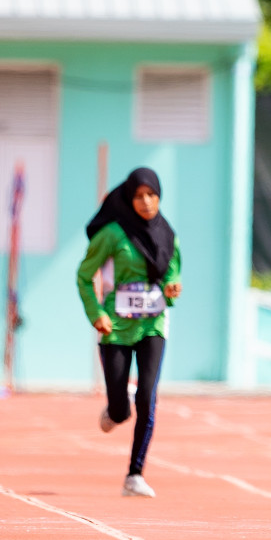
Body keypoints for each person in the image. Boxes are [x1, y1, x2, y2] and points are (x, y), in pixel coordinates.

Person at [77, 167, 181, 497]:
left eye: (152, 195)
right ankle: (115, 408)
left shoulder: (167, 233)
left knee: (148, 397)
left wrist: (172, 287)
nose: (147, 202)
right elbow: (83, 276)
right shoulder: (112, 234)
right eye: (139, 196)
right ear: (129, 198)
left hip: (153, 324)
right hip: (116, 326)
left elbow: (171, 271)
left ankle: (134, 475)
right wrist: (96, 314)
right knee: (122, 409)